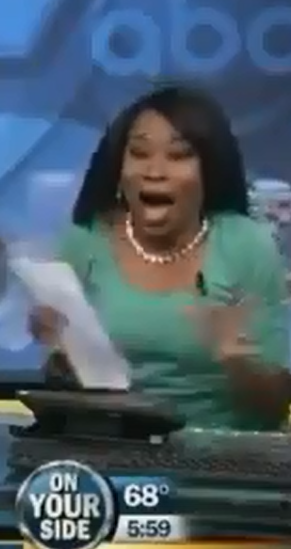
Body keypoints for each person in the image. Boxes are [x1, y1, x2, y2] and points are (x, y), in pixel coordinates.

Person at [29, 85, 290, 431]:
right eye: (139, 153)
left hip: (221, 453)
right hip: (115, 448)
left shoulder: (246, 246)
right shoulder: (85, 241)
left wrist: (235, 360)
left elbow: (274, 409)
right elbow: (67, 386)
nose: (155, 171)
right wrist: (61, 351)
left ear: (208, 171)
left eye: (178, 156)